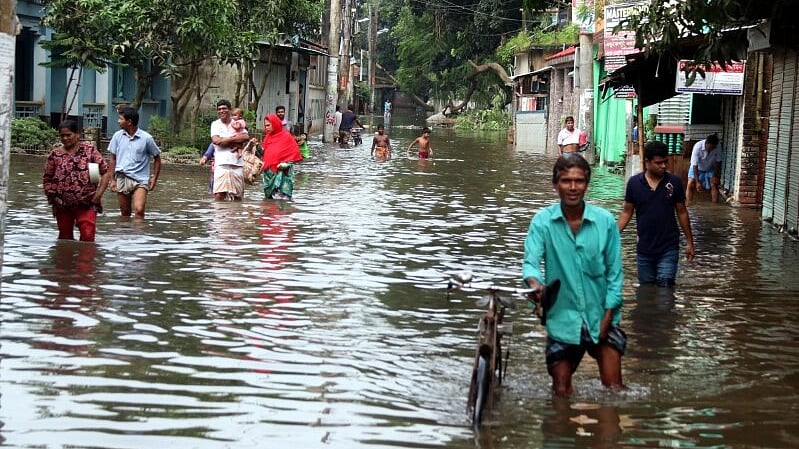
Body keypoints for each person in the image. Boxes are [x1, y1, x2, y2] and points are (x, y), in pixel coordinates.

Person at [522, 155, 625, 397]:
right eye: (566, 181)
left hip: (601, 314)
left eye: (579, 181)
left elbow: (615, 275)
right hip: (562, 319)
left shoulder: (605, 222)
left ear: (586, 184)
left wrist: (607, 317)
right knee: (560, 391)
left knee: (614, 391)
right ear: (555, 184)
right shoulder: (542, 222)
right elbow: (530, 263)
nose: (572, 187)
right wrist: (535, 284)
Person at [618, 141, 695, 287]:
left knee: (665, 288)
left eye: (665, 162)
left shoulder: (674, 182)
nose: (663, 166)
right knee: (646, 289)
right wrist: (613, 235)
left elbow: (682, 212)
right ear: (647, 162)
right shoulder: (634, 183)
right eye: (659, 163)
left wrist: (690, 242)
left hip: (669, 246)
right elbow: (626, 213)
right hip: (644, 248)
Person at [42, 120, 111, 241]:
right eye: (62, 135)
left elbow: (105, 172)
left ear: (77, 134)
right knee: (65, 238)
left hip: (87, 202)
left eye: (68, 135)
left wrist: (98, 196)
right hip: (62, 204)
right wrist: (52, 199)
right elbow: (47, 178)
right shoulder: (55, 155)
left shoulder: (89, 151)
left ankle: (86, 254)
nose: (65, 138)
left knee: (88, 235)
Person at [107, 106, 161, 219]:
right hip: (122, 177)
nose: (118, 121)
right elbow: (112, 159)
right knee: (125, 213)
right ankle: (125, 230)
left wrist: (154, 178)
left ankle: (139, 230)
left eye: (120, 119)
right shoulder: (117, 136)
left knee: (139, 210)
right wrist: (112, 180)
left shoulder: (146, 138)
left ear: (129, 122)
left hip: (140, 179)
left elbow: (157, 158)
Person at [209, 99, 251, 201]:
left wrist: (226, 140)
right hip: (221, 164)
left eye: (224, 108)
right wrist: (236, 141)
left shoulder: (237, 122)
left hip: (237, 164)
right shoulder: (215, 124)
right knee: (219, 195)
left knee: (237, 197)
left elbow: (246, 137)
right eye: (219, 109)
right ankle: (219, 211)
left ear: (230, 110)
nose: (221, 111)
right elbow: (216, 141)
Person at [262, 113, 303, 200]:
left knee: (282, 201)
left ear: (275, 124)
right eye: (265, 126)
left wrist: (285, 164)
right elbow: (264, 153)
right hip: (269, 174)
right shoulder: (267, 138)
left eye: (268, 125)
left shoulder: (286, 137)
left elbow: (293, 154)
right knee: (270, 201)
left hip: (283, 174)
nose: (266, 128)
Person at [686, 134, 722, 204]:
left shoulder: (718, 146)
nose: (712, 149)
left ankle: (715, 205)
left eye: (713, 148)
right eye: (710, 147)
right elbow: (694, 165)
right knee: (690, 183)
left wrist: (714, 176)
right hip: (697, 168)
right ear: (706, 143)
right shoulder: (697, 147)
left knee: (714, 184)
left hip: (710, 167)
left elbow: (718, 162)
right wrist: (697, 182)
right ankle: (689, 203)